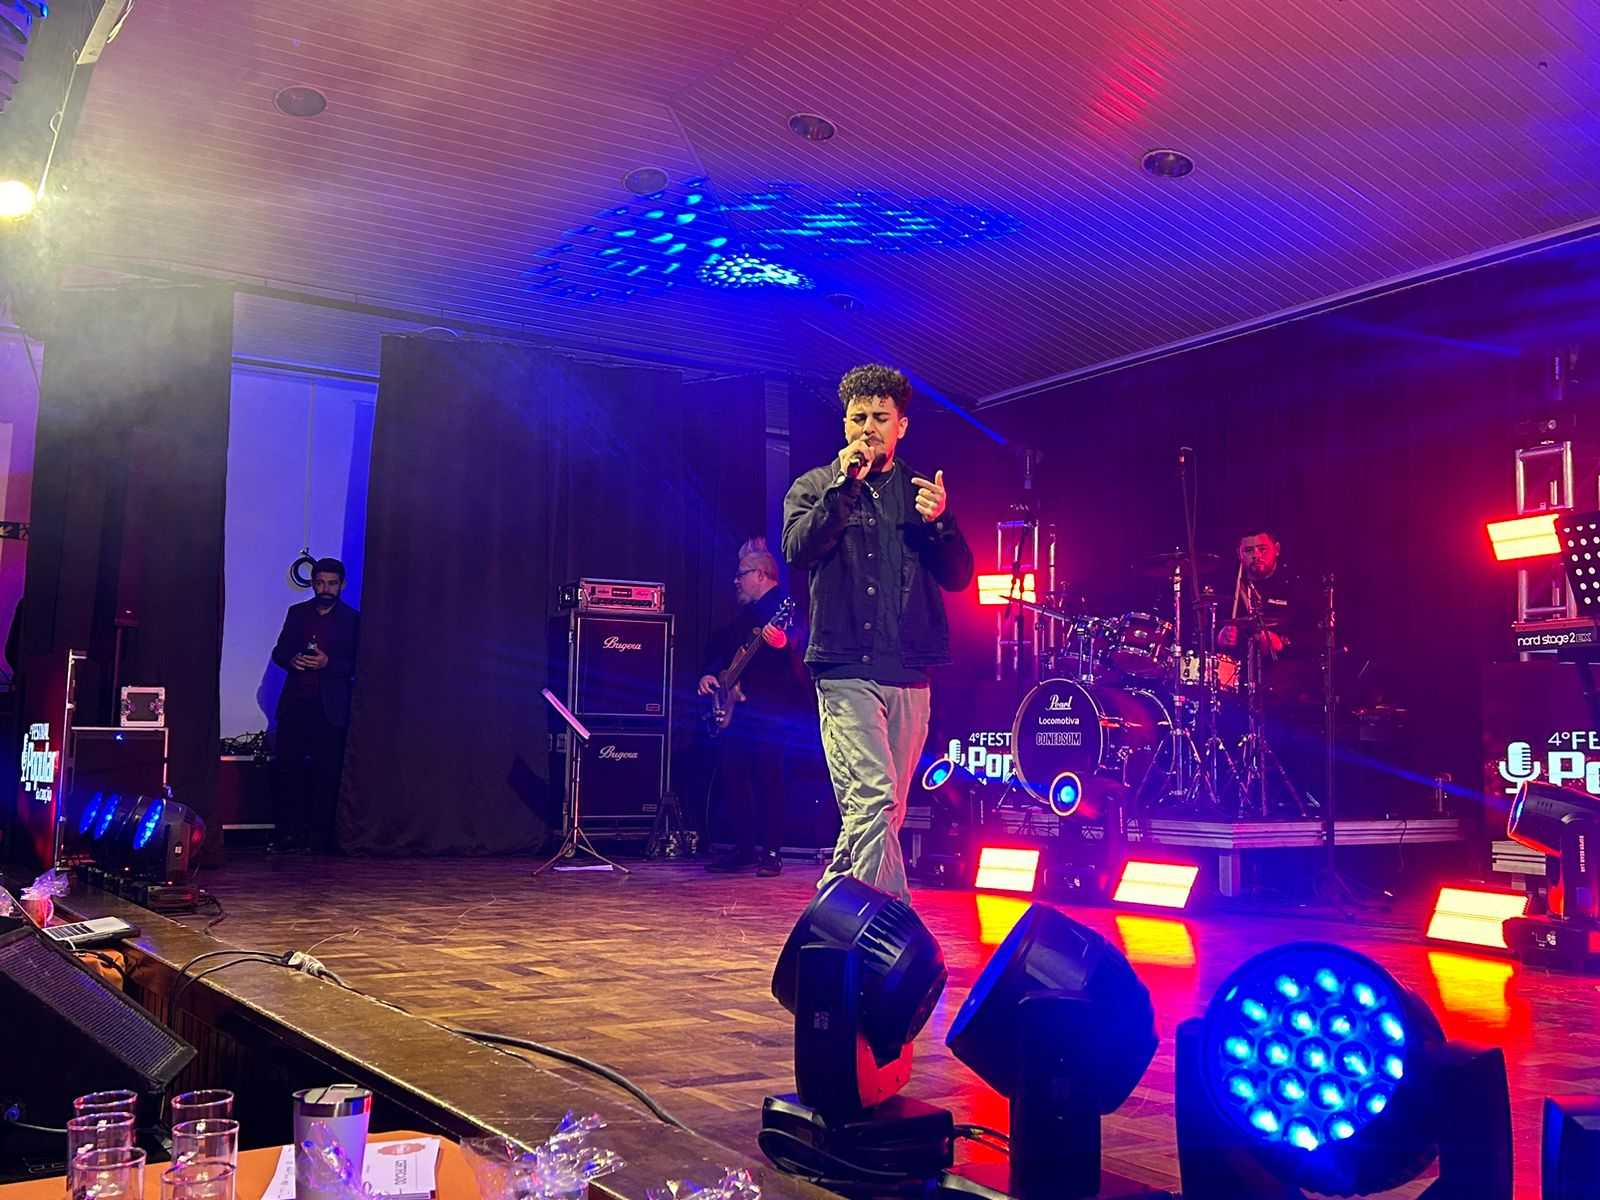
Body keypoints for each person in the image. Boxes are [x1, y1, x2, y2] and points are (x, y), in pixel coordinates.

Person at [782, 364, 974, 905]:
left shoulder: (921, 495)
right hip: (844, 668)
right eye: (859, 417)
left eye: (881, 418)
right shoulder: (816, 487)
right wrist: (843, 490)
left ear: (901, 426)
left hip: (909, 670)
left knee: (882, 811)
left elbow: (959, 577)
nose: (869, 427)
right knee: (875, 798)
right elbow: (797, 550)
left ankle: (836, 902)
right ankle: (889, 922)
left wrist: (942, 524)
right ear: (845, 424)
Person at [697, 538, 805, 876]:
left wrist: (785, 642)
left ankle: (772, 852)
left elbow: (802, 640)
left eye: (741, 574)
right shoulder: (746, 614)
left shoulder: (783, 605)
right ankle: (744, 848)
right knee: (734, 771)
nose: (736, 580)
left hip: (774, 708)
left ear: (760, 574)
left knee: (770, 775)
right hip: (742, 708)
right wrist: (711, 674)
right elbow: (728, 653)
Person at [269, 557, 359, 854]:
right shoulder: (297, 613)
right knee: (288, 771)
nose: (325, 589)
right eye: (320, 583)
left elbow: (358, 664)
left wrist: (328, 663)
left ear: (342, 585)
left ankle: (320, 837)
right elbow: (279, 650)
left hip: (330, 709)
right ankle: (290, 833)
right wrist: (291, 659)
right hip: (295, 703)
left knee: (327, 773)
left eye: (332, 584)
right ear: (312, 583)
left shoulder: (353, 619)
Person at [1218, 528, 1318, 705]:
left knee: (1270, 693)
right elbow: (1201, 632)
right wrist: (1219, 636)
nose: (1256, 555)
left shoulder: (1295, 586)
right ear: (1239, 554)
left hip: (1286, 667)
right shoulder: (1228, 587)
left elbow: (1316, 636)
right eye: (1248, 550)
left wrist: (1283, 642)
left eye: (1262, 549)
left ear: (1277, 549)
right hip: (1238, 672)